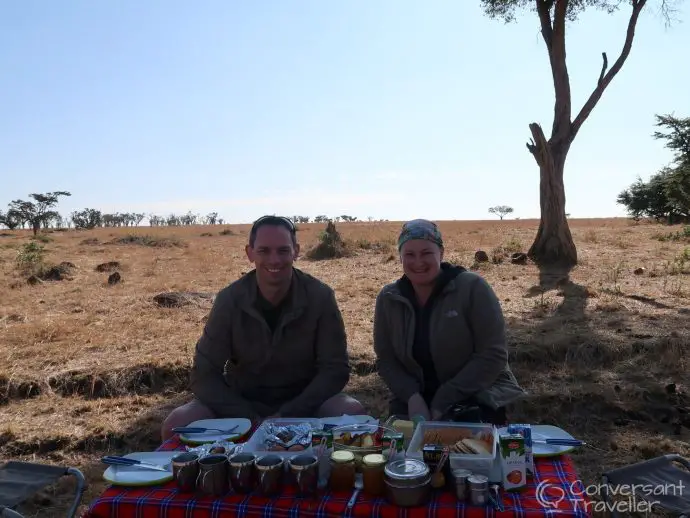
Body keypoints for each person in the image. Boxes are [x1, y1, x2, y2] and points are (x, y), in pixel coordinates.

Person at [161, 215, 365, 441]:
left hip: (305, 404)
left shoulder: (320, 297)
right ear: (250, 253)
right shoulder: (229, 300)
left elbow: (335, 369)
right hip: (241, 405)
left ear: (296, 251)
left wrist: (287, 414)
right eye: (264, 251)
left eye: (283, 250)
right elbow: (204, 375)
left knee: (352, 413)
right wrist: (248, 417)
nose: (274, 260)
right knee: (177, 425)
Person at [373, 219, 526, 425]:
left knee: (464, 450)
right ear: (400, 256)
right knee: (400, 452)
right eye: (409, 254)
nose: (418, 262)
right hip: (415, 400)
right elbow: (386, 360)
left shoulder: (473, 288)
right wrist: (412, 397)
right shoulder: (389, 297)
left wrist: (444, 400)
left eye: (426, 253)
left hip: (475, 394)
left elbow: (493, 354)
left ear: (441, 253)